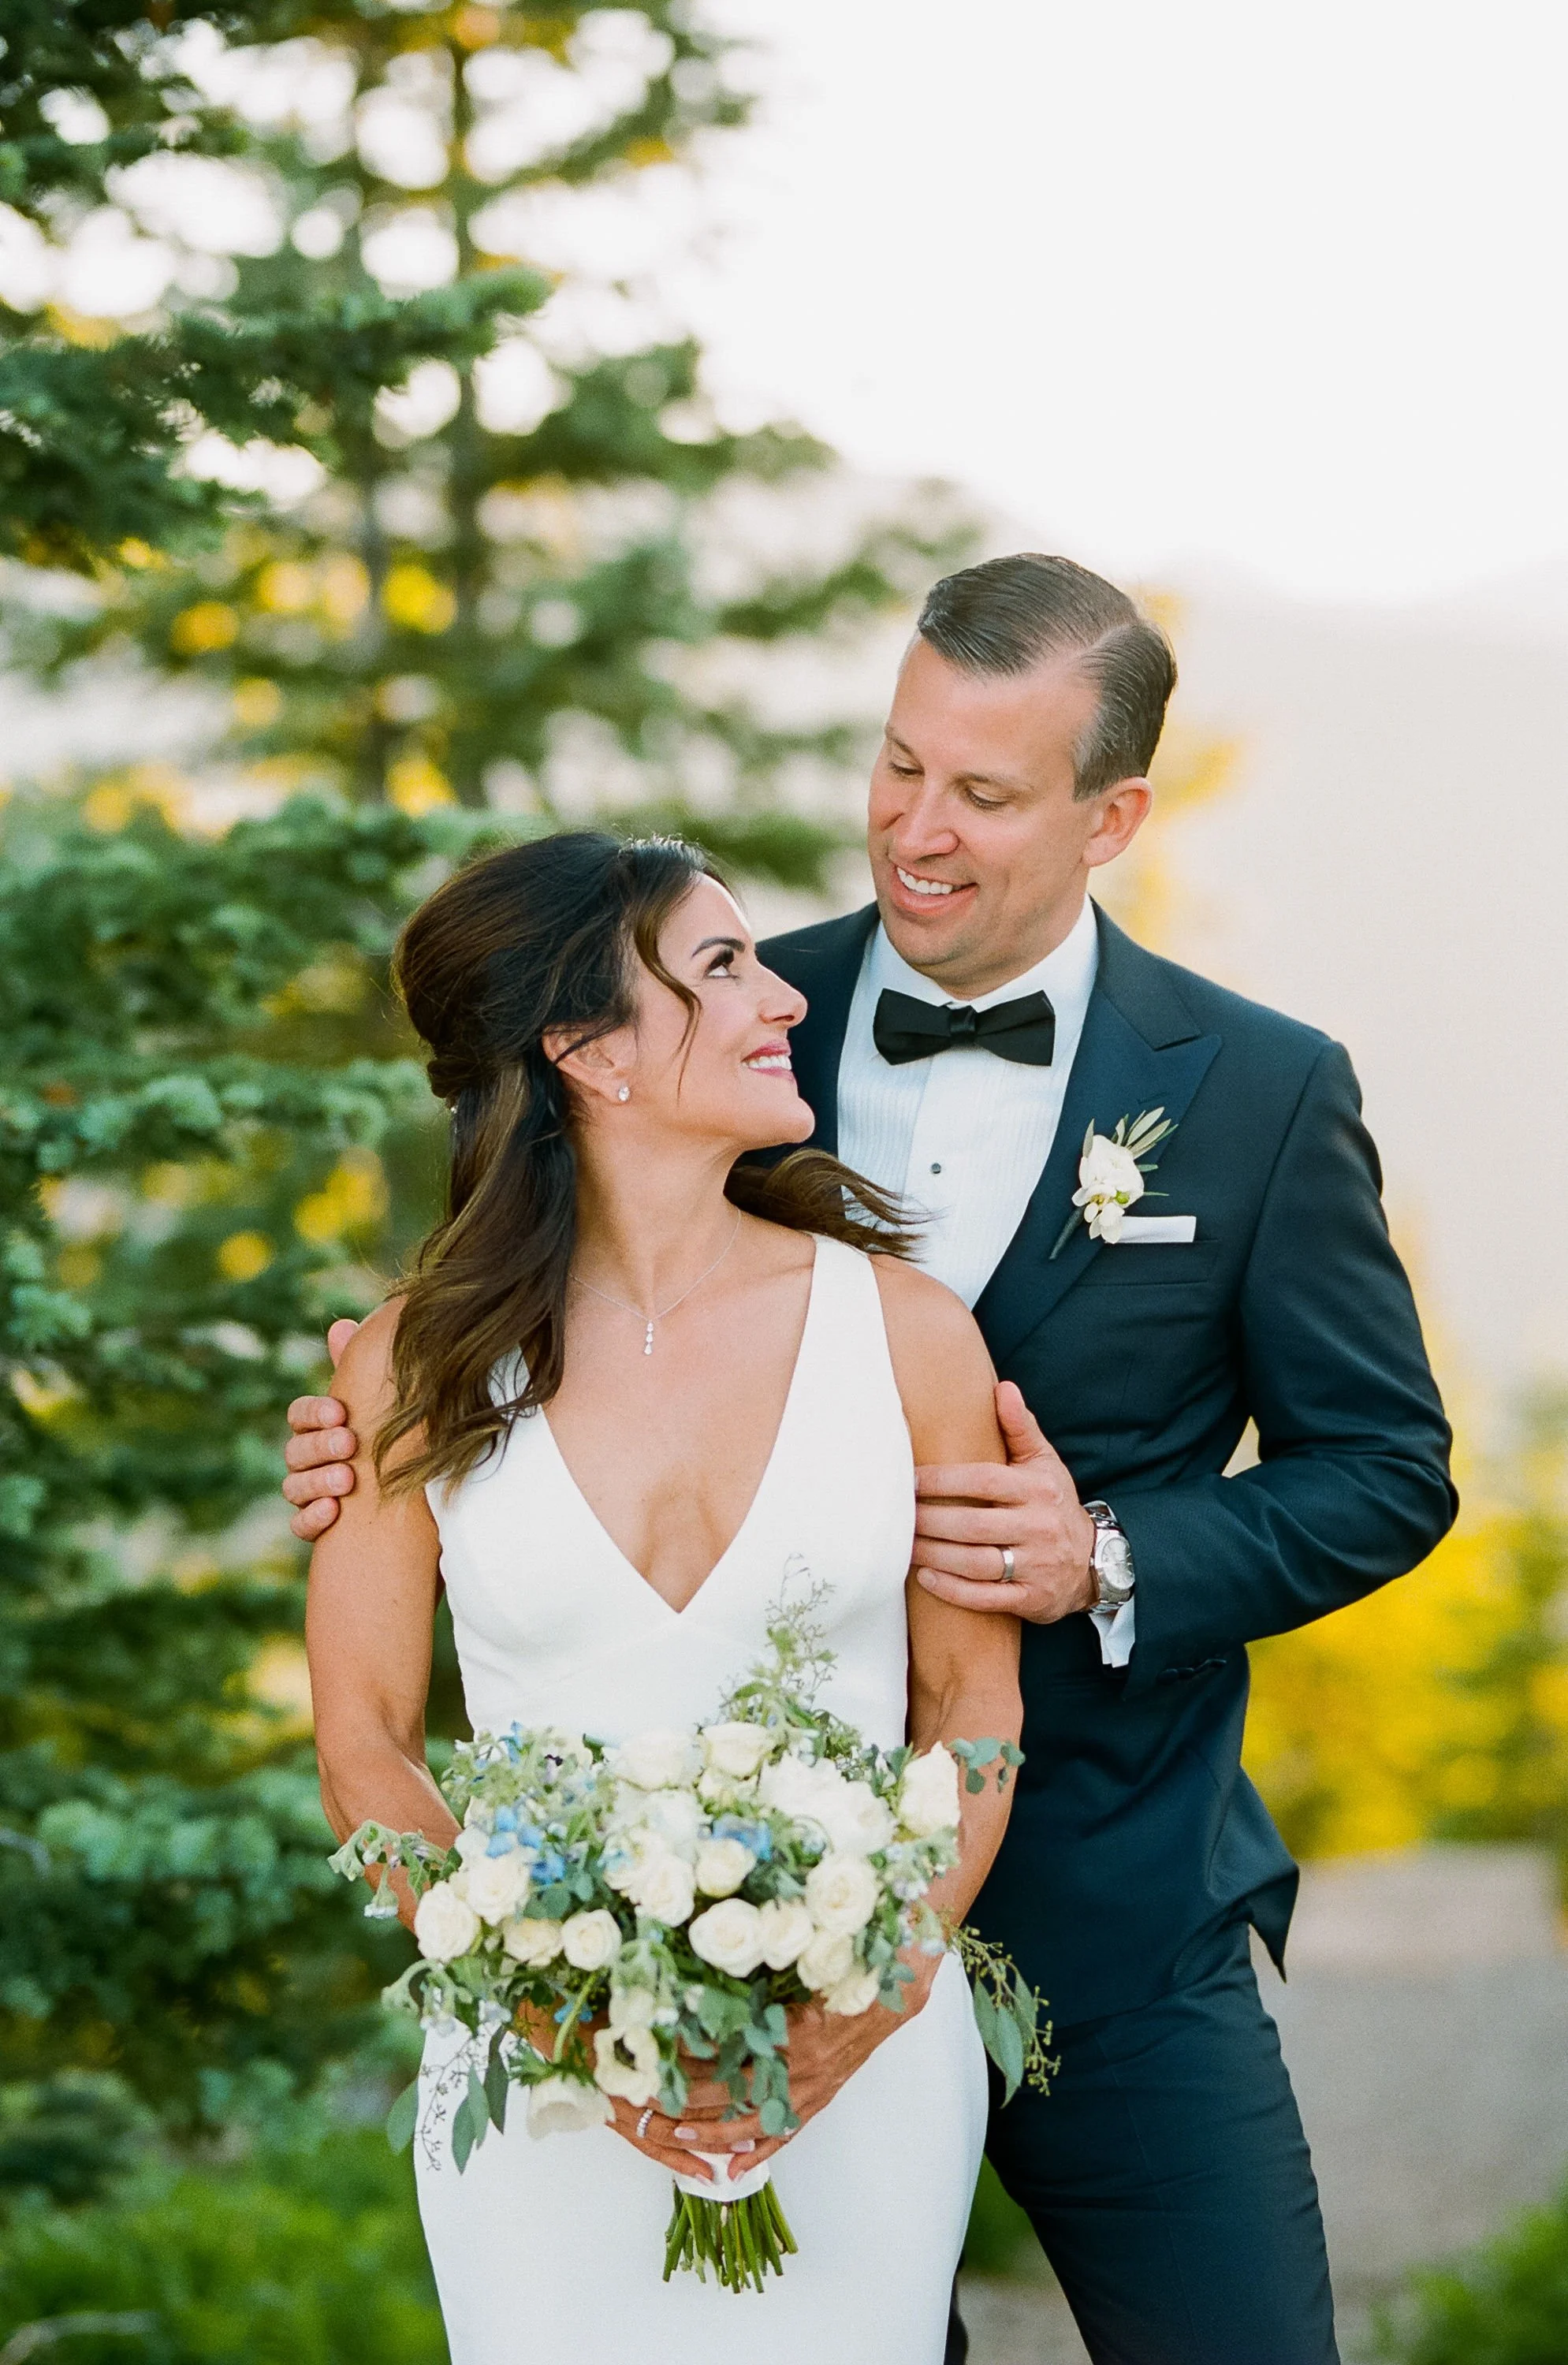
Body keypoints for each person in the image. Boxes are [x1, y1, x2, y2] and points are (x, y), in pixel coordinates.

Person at [290, 555, 1458, 2365]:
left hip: (1116, 1909)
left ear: (1111, 815)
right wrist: (378, 1445)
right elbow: (538, 1286)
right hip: (653, 1939)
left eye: (982, 795)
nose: (912, 829)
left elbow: (1384, 1468)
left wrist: (1106, 1561)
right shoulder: (743, 1011)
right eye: (896, 764)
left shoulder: (1258, 1088)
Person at [304, 829, 1024, 2365]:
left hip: (859, 2055)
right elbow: (363, 1741)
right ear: (586, 1051)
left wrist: (863, 2003)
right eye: (720, 967)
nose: (782, 999)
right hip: (538, 2082)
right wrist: (547, 2008)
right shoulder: (409, 1368)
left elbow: (972, 1713)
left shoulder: (906, 1334)